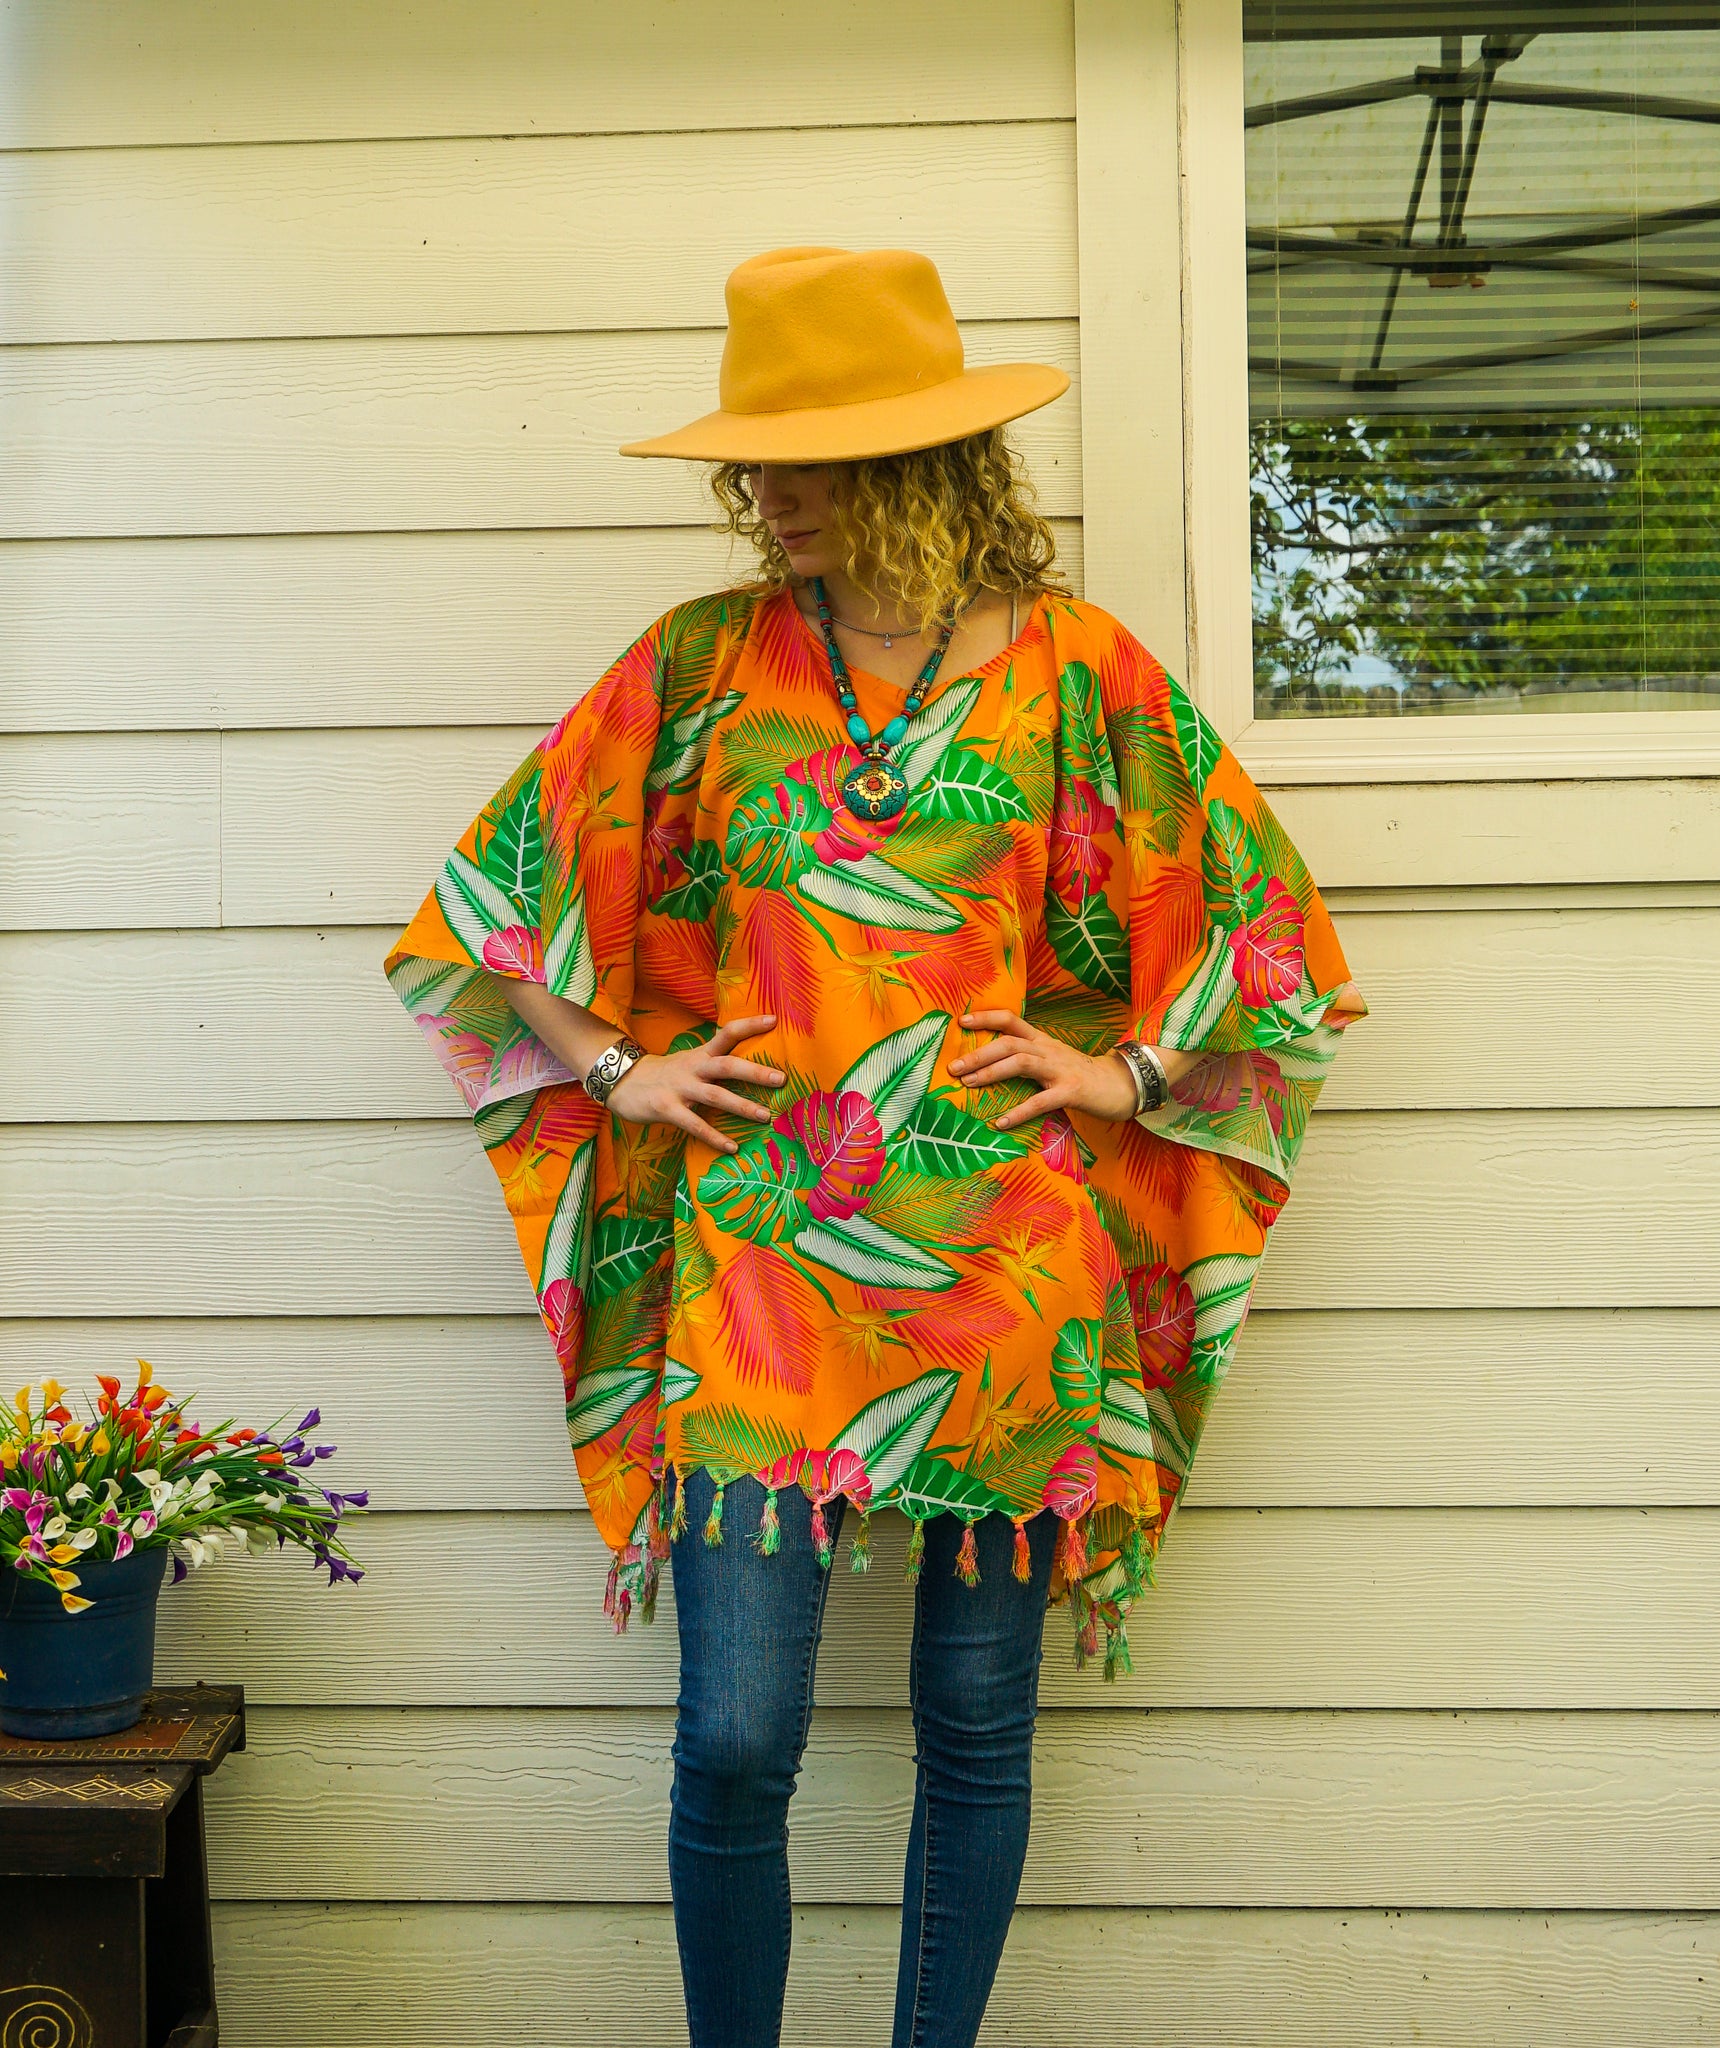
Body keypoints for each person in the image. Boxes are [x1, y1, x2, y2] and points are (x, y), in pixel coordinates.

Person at [383, 245, 1366, 2048]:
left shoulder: (1076, 673)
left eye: (810, 464)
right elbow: (492, 899)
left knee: (975, 1731)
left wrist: (1131, 1076)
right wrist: (615, 1070)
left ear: (923, 463)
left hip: (1003, 1266)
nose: (769, 497)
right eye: (755, 465)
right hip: (761, 1259)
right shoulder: (703, 665)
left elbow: (1270, 928)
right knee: (733, 1736)